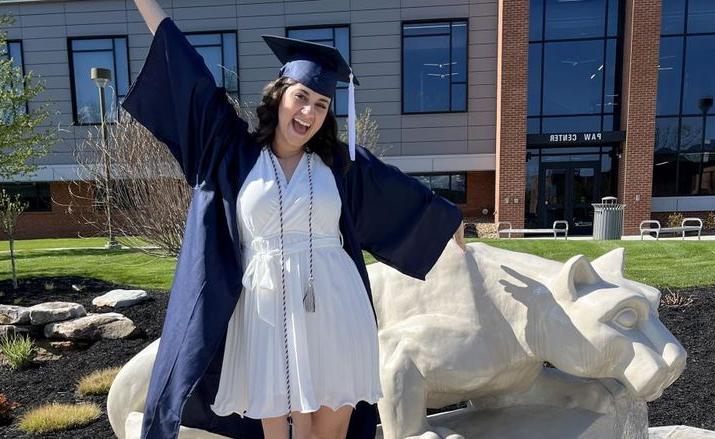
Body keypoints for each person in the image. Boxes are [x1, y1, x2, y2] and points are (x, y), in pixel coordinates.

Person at [123, 1, 465, 438]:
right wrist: (148, 7)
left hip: (337, 310)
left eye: (321, 104)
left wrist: (447, 216)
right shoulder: (231, 151)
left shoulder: (338, 164)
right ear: (279, 94)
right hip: (265, 317)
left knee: (329, 432)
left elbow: (396, 190)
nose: (308, 112)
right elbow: (189, 72)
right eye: (301, 97)